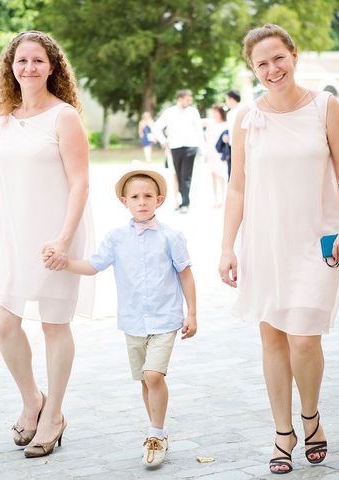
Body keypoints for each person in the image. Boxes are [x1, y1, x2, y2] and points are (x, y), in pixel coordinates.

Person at [218, 24, 339, 474]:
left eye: (278, 58)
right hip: (264, 241)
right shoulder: (246, 118)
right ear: (253, 69)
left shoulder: (325, 108)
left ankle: (311, 416)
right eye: (262, 63)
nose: (272, 69)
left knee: (303, 338)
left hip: (318, 239)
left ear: (294, 55)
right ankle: (283, 431)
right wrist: (227, 247)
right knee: (272, 337)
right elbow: (237, 187)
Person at [0, 30, 93, 458]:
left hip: (54, 236)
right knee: (3, 321)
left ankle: (55, 414)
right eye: (21, 61)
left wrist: (63, 239)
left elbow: (80, 182)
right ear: (11, 68)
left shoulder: (65, 117)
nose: (29, 68)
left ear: (52, 67)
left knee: (53, 325)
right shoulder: (5, 118)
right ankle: (32, 401)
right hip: (10, 235)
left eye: (38, 60)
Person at [45, 169, 197, 467]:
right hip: (133, 321)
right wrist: (64, 263)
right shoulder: (116, 238)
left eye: (148, 196)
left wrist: (192, 312)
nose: (142, 202)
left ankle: (156, 431)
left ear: (160, 200)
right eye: (136, 197)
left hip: (165, 318)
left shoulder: (171, 237)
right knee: (144, 379)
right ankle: (157, 434)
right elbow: (93, 266)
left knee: (154, 375)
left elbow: (185, 274)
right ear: (124, 201)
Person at [153, 89, 205, 214]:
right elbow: (156, 127)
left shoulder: (193, 112)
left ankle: (185, 203)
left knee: (186, 175)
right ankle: (181, 202)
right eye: (187, 99)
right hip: (174, 147)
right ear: (180, 99)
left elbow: (199, 131)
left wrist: (203, 149)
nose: (189, 102)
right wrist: (163, 140)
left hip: (190, 147)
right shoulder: (170, 112)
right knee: (177, 174)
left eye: (190, 99)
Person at [204, 104, 228, 207]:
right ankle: (215, 198)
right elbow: (207, 140)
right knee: (213, 175)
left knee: (221, 175)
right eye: (213, 112)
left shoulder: (226, 124)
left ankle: (223, 198)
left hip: (221, 153)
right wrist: (205, 153)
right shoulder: (210, 124)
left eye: (216, 112)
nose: (214, 114)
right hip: (211, 152)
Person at [224, 89, 242, 179]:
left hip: (242, 147)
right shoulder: (230, 114)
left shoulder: (243, 110)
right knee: (231, 173)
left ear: (231, 99)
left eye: (226, 99)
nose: (226, 102)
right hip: (231, 146)